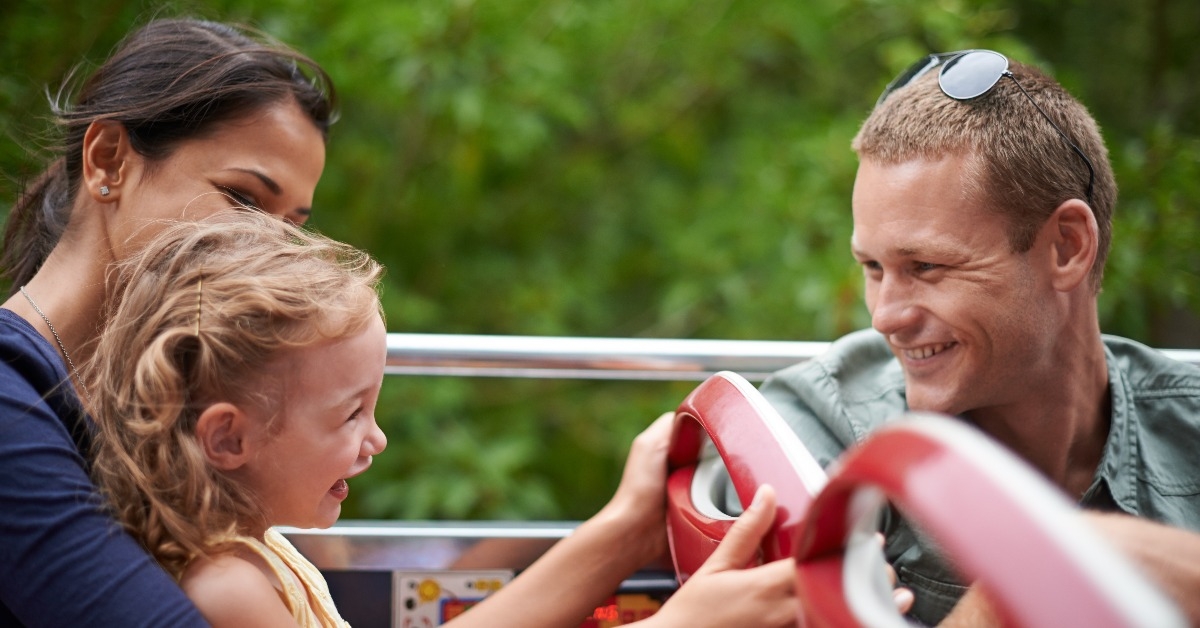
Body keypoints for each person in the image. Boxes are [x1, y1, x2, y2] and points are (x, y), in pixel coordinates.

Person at [0, 16, 798, 627]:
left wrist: (622, 533)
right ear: (107, 160)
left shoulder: (131, 415)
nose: (262, 244)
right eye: (243, 198)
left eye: (293, 221)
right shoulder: (15, 406)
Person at [88, 211, 798, 627]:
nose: (378, 439)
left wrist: (623, 527)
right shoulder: (229, 591)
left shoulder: (252, 545)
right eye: (350, 414)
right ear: (228, 437)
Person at [756, 49, 1200, 624]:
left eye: (927, 267)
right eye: (872, 268)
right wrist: (1040, 575)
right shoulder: (817, 431)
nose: (884, 316)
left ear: (1067, 246)